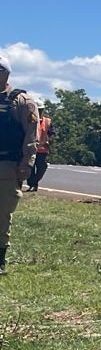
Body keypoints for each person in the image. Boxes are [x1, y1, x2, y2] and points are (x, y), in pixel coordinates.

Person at [0, 54, 41, 274]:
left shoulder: (22, 101)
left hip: (6, 166)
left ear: (5, 73)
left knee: (2, 214)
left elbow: (31, 137)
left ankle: (0, 259)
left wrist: (27, 164)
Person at [25, 111, 51, 191]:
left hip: (42, 150)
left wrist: (49, 141)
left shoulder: (47, 121)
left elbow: (52, 132)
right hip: (31, 148)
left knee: (41, 168)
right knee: (30, 168)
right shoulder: (29, 119)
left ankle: (34, 183)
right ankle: (32, 185)